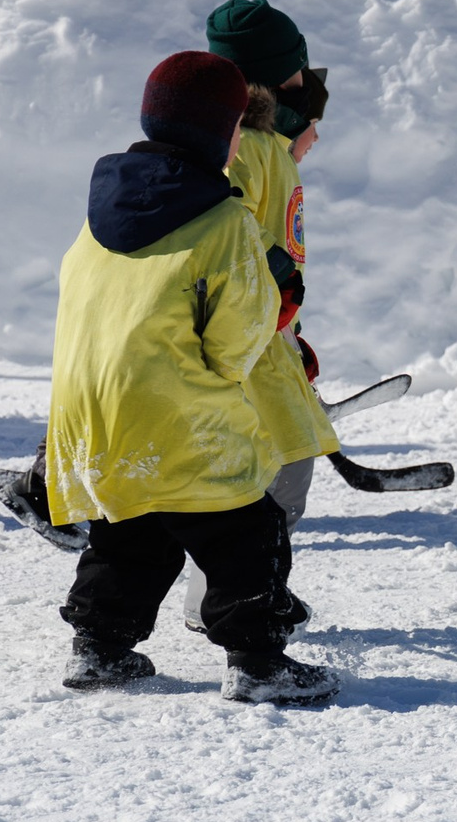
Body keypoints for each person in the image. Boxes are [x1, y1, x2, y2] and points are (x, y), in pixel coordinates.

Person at [45, 51, 334, 705]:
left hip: (88, 411)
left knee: (135, 525)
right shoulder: (223, 219)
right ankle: (258, 660)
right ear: (223, 134)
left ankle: (99, 646)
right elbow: (237, 341)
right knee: (245, 527)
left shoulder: (99, 214)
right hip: (176, 413)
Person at [174, 0, 335, 634]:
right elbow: (230, 233)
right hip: (238, 341)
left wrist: (290, 331)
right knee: (268, 475)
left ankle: (240, 592)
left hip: (266, 333)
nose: (306, 87)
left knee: (273, 472)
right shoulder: (244, 147)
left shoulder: (270, 143)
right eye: (293, 75)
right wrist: (275, 307)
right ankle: (233, 599)